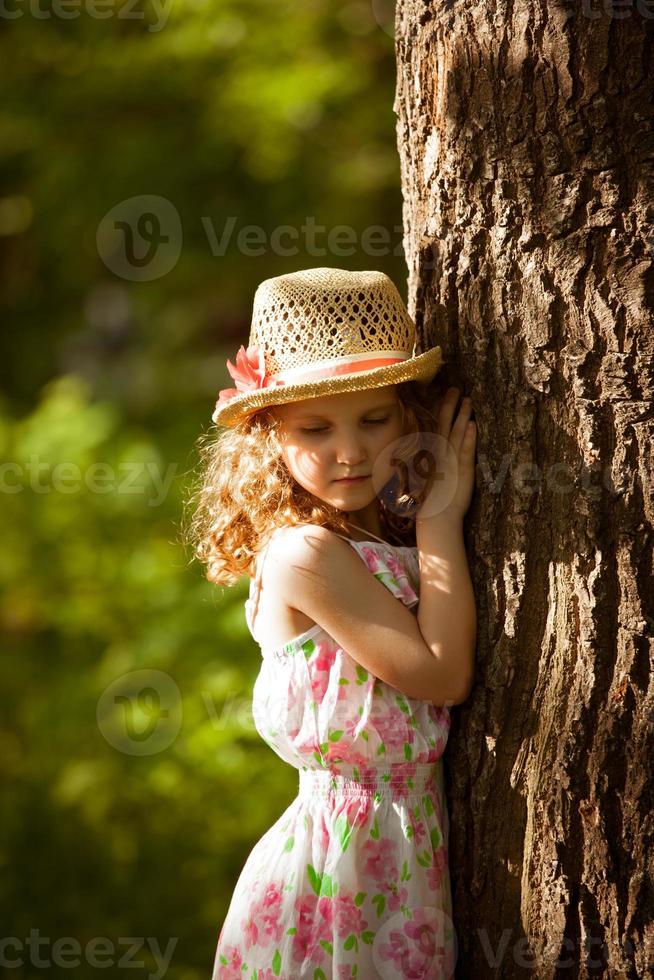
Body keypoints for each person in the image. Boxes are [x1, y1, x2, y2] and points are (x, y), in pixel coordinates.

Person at [188, 267, 477, 979]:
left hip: (405, 855)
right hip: (340, 874)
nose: (348, 451)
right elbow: (442, 675)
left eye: (373, 419)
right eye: (315, 428)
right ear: (268, 438)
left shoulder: (376, 538)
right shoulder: (306, 553)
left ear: (409, 417)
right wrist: (440, 517)